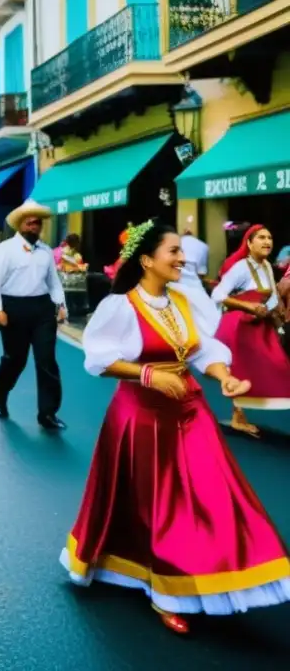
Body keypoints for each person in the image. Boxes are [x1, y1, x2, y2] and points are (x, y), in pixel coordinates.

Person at [59, 220, 289, 634]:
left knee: (217, 491)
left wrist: (224, 378)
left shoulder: (185, 299)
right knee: (156, 504)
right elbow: (97, 358)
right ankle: (166, 591)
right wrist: (148, 375)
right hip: (140, 415)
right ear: (147, 260)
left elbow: (203, 350)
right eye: (173, 251)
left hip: (190, 407)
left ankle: (226, 568)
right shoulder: (122, 306)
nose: (183, 259)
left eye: (182, 251)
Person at [0, 200, 67, 429]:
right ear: (20, 225)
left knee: (47, 360)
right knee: (15, 360)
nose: (34, 226)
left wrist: (60, 304)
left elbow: (53, 282)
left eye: (37, 223)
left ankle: (47, 413)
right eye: (29, 222)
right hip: (13, 308)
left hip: (42, 309)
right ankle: (1, 395)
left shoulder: (46, 251)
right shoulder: (5, 249)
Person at [210, 224, 290, 437]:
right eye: (261, 237)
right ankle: (238, 416)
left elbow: (272, 297)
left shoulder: (266, 267)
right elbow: (217, 294)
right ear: (249, 242)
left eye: (270, 237)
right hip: (238, 326)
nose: (267, 242)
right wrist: (248, 306)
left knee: (276, 365)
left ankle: (241, 414)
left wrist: (277, 320)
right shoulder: (241, 267)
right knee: (240, 370)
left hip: (258, 326)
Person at [178, 217, 209, 292]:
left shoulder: (175, 243)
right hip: (194, 286)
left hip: (176, 285)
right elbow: (201, 273)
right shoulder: (203, 246)